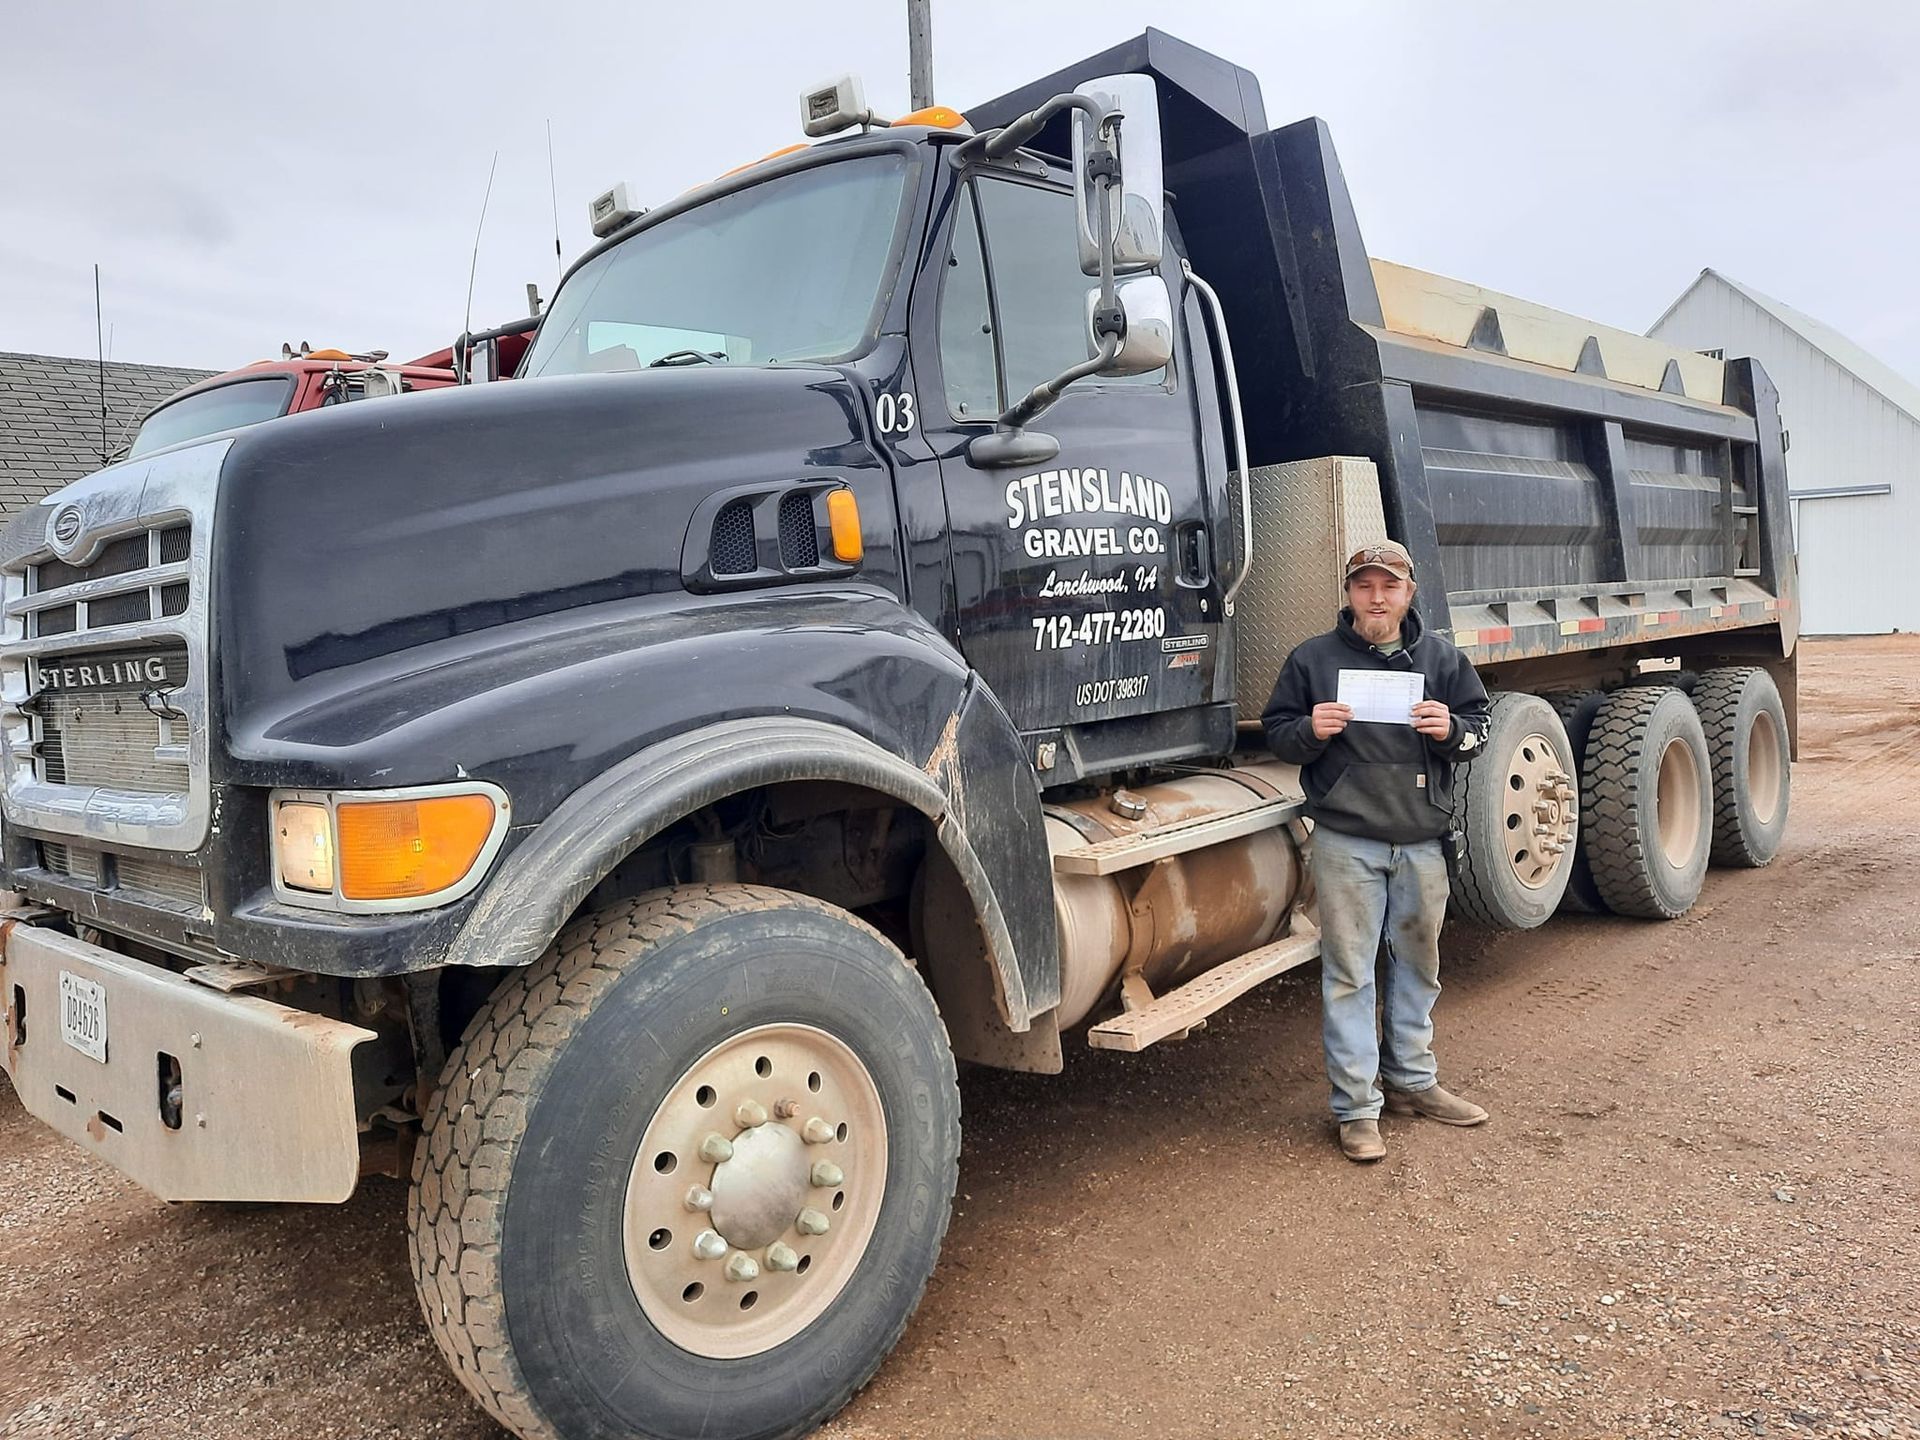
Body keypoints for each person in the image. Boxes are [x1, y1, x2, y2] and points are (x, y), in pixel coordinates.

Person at [1261, 541, 1493, 1163]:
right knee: (1348, 976)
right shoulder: (1313, 660)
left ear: (1409, 592)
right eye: (1364, 585)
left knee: (1419, 968)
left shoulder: (1442, 660)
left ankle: (1414, 1084)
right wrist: (1310, 730)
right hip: (1346, 842)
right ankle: (1357, 1111)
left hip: (1421, 841)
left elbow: (1480, 729)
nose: (1377, 597)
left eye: (1389, 585)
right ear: (1349, 593)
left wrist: (1454, 732)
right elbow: (1277, 733)